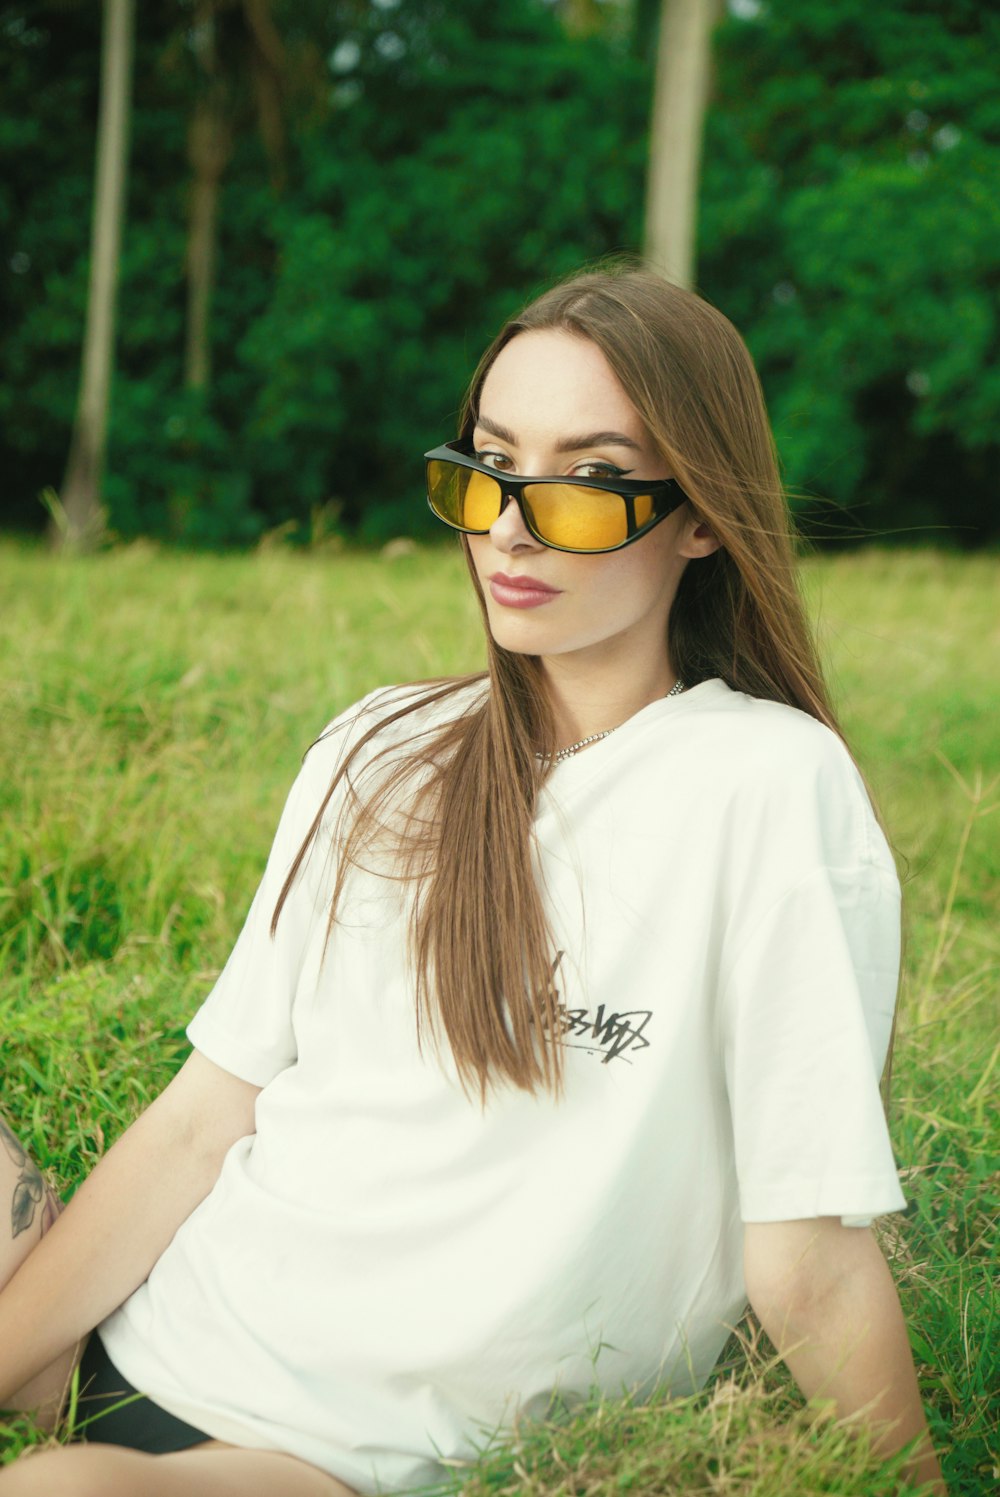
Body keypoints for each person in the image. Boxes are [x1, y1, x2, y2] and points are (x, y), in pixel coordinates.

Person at [0, 265, 944, 1497]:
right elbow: (202, 1118)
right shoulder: (378, 746)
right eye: (489, 467)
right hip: (150, 1330)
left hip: (322, 1458)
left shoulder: (763, 785)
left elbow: (807, 1257)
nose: (508, 525)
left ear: (704, 517)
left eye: (592, 485)